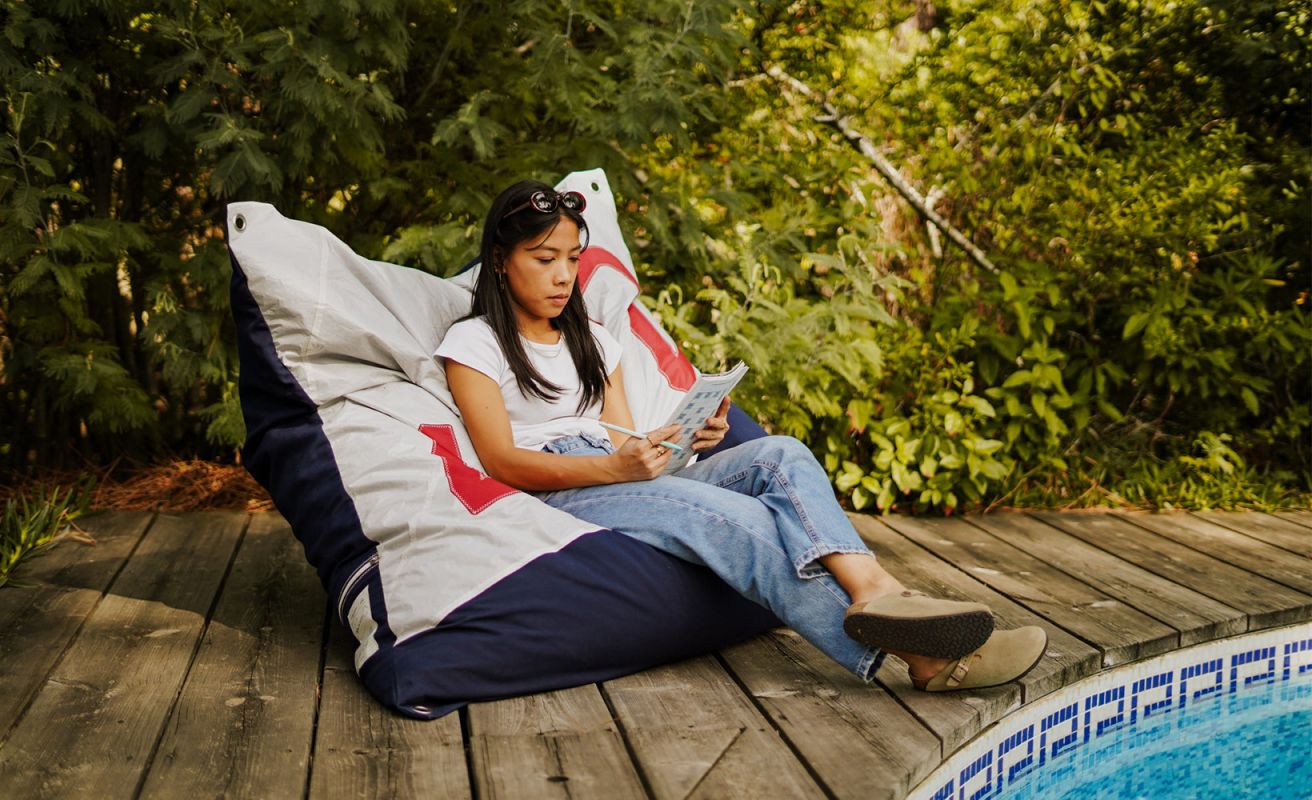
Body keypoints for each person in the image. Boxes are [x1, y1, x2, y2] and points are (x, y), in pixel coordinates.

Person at [435, 179, 1048, 692]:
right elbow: (499, 461)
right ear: (499, 259)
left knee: (782, 454)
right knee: (740, 518)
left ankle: (874, 590)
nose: (563, 275)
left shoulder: (593, 337)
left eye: (571, 259)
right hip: (562, 488)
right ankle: (929, 659)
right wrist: (614, 469)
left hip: (619, 468)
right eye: (545, 259)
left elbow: (621, 433)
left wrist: (687, 436)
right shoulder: (475, 343)